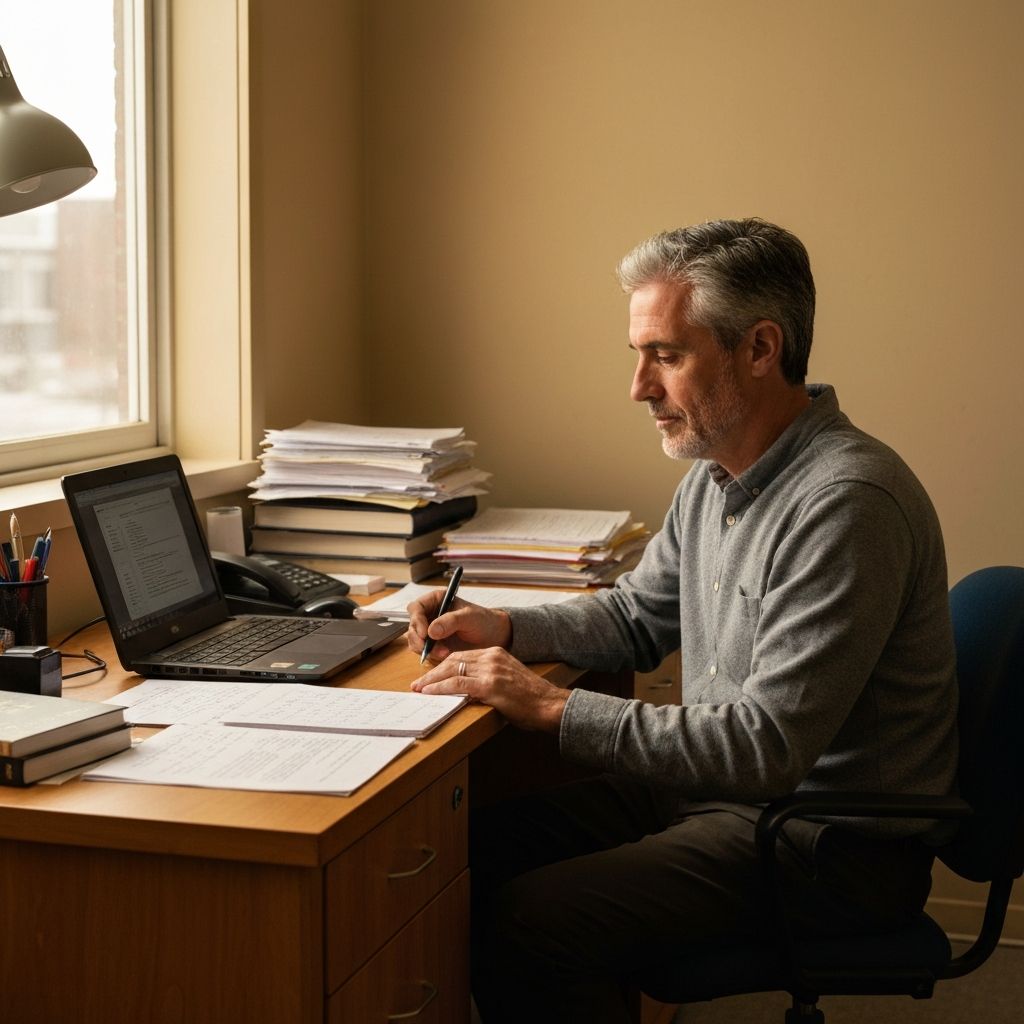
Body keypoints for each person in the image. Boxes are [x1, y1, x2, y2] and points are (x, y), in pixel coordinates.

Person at [407, 218, 958, 1023]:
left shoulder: (846, 504)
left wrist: (552, 706)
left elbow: (764, 748)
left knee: (537, 923)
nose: (639, 386)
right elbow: (638, 616)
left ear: (760, 348)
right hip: (721, 797)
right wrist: (506, 627)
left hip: (824, 843)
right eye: (640, 356)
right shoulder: (718, 471)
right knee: (462, 857)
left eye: (666, 355)